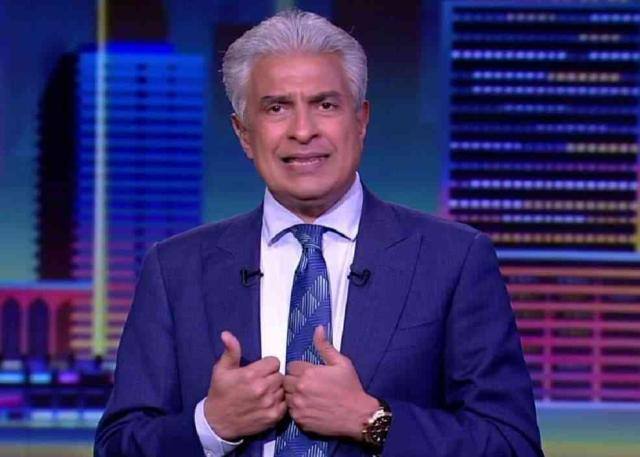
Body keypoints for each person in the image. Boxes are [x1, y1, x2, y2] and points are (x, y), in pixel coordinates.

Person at [94, 9, 543, 457]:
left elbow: (513, 446)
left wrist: (372, 420)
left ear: (361, 120)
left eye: (325, 105)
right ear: (244, 134)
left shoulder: (454, 260)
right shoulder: (175, 271)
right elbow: (117, 447)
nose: (303, 131)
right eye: (277, 108)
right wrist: (211, 426)